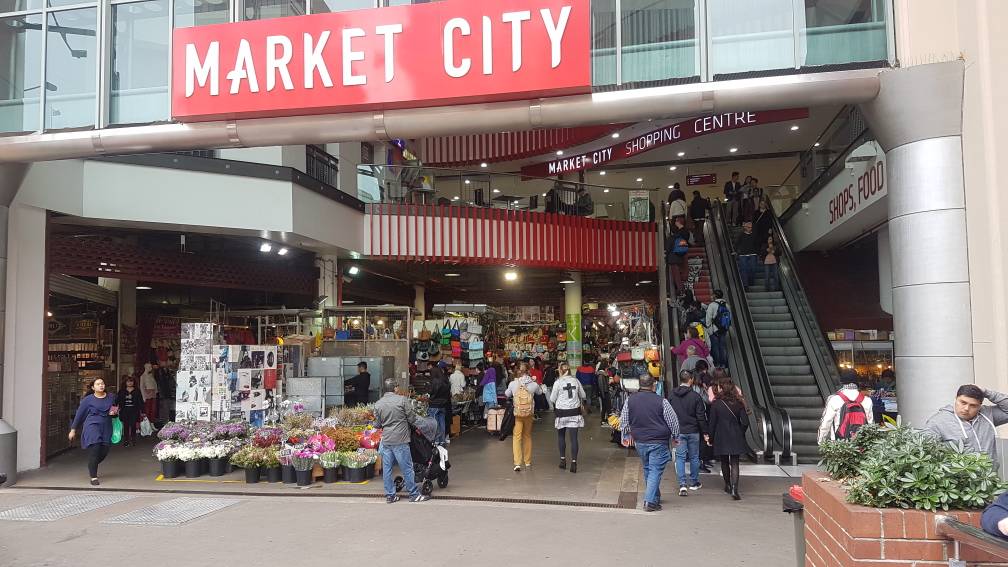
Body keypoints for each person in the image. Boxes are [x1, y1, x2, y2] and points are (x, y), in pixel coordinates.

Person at [620, 374, 680, 512]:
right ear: (654, 385)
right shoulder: (662, 401)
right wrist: (676, 436)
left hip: (640, 441)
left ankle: (655, 497)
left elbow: (624, 420)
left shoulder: (630, 400)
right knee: (654, 470)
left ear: (639, 385)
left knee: (648, 468)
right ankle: (649, 502)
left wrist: (626, 435)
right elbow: (673, 421)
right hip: (658, 441)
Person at [924, 384, 1008, 468]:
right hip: (959, 475)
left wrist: (986, 392)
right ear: (956, 399)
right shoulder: (938, 421)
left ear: (980, 405)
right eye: (963, 402)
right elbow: (925, 451)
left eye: (973, 405)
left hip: (989, 475)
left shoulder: (987, 414)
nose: (966, 408)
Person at [374, 384, 429, 502]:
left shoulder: (378, 404)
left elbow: (377, 424)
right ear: (395, 388)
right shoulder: (402, 400)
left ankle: (390, 495)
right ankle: (414, 494)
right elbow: (412, 418)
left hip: (387, 440)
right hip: (400, 439)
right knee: (407, 468)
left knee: (387, 469)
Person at [69, 378, 118, 486]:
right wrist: (73, 429)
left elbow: (114, 410)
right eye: (98, 384)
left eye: (102, 383)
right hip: (92, 425)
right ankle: (93, 476)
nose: (101, 385)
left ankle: (92, 463)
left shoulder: (111, 397)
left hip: (106, 426)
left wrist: (114, 413)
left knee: (104, 450)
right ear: (93, 387)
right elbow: (79, 415)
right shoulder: (88, 400)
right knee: (95, 448)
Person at [706, 377, 749, 500]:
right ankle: (735, 489)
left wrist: (711, 438)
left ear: (721, 388)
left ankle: (727, 485)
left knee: (724, 462)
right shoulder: (739, 403)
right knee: (735, 462)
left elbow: (712, 424)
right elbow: (745, 422)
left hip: (721, 436)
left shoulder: (716, 404)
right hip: (735, 435)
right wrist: (740, 432)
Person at [668, 370, 707, 496]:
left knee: (680, 457)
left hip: (678, 431)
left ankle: (682, 485)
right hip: (693, 431)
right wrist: (705, 432)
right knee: (694, 457)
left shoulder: (672, 395)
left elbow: (668, 414)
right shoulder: (696, 396)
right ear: (691, 380)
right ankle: (694, 482)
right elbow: (701, 416)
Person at [550, 361, 586, 473]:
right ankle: (574, 463)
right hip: (574, 412)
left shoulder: (558, 382)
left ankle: (562, 460)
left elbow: (552, 399)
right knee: (574, 439)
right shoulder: (576, 381)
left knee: (561, 436)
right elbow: (583, 395)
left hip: (561, 413)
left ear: (560, 371)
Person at [505, 362, 541, 472]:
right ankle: (527, 461)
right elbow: (540, 392)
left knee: (517, 437)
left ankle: (517, 463)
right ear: (528, 371)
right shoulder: (533, 384)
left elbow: (507, 394)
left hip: (518, 414)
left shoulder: (513, 383)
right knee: (527, 436)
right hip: (529, 413)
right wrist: (535, 382)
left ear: (517, 371)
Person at [115, 376, 144, 448]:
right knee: (126, 425)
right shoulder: (122, 391)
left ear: (134, 382)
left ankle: (133, 439)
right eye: (128, 381)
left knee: (133, 425)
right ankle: (126, 440)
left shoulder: (137, 391)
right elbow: (117, 400)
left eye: (131, 381)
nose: (130, 383)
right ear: (125, 382)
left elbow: (140, 401)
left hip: (134, 410)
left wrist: (143, 411)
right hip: (124, 410)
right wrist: (114, 409)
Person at [427, 365, 452, 444]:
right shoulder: (445, 380)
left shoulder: (434, 381)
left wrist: (427, 386)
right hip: (443, 405)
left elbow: (430, 392)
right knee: (442, 423)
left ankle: (437, 440)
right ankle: (442, 439)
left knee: (435, 423)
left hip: (434, 405)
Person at [706, 290, 730, 368]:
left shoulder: (712, 305)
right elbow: (729, 318)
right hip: (724, 329)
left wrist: (709, 330)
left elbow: (708, 319)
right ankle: (724, 364)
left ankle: (717, 364)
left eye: (713, 295)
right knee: (722, 346)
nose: (711, 296)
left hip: (714, 329)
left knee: (715, 346)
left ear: (715, 296)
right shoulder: (727, 305)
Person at [667, 216, 691, 294]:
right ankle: (684, 284)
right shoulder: (685, 234)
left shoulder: (672, 237)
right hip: (682, 254)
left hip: (673, 257)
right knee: (684, 269)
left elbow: (668, 248)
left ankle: (680, 289)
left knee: (676, 273)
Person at [735, 221, 759, 289]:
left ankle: (750, 281)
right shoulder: (741, 235)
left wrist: (757, 252)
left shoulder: (754, 235)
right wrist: (735, 251)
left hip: (753, 254)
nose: (750, 228)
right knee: (744, 269)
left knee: (753, 268)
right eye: (749, 227)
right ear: (745, 227)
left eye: (751, 227)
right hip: (743, 255)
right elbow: (737, 243)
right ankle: (745, 285)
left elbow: (757, 243)